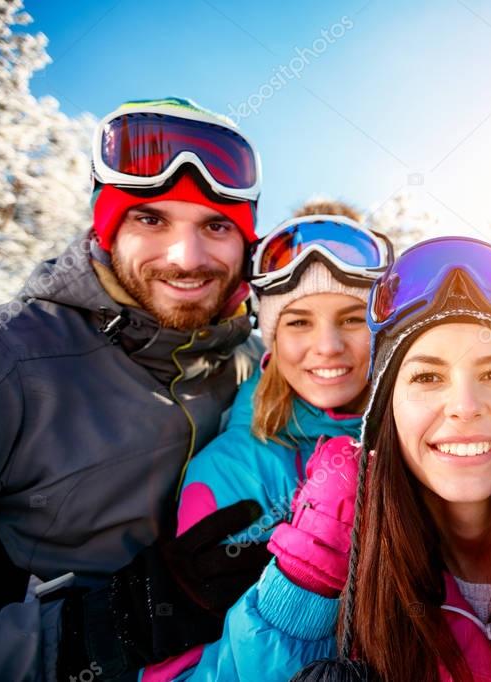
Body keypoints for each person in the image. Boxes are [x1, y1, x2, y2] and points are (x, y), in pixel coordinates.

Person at [189, 236, 491, 681]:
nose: (465, 407)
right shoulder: (350, 576)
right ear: (386, 411)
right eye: (427, 378)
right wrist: (301, 588)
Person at [0, 97, 270, 681]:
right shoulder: (3, 355)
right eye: (151, 220)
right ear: (107, 229)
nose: (187, 259)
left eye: (216, 226)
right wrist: (96, 633)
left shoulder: (256, 368)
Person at [142, 208, 393, 681]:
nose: (328, 346)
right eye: (299, 322)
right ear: (272, 338)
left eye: (352, 318)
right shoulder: (234, 472)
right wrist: (300, 588)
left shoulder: (424, 443)